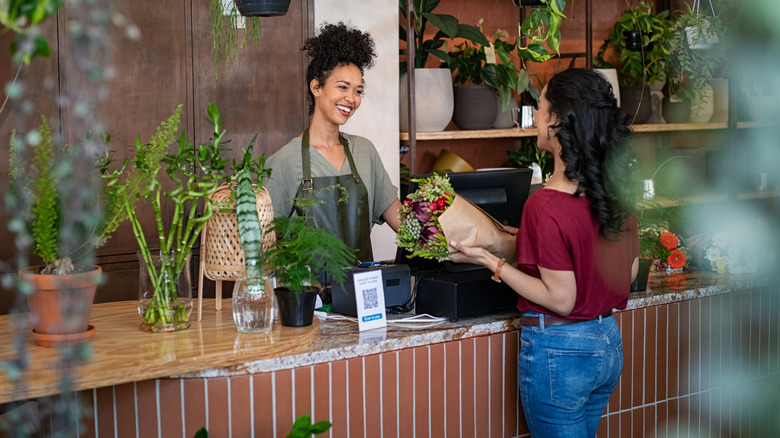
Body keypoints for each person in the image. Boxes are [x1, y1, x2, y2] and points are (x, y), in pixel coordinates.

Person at [449, 68, 639, 437]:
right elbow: (627, 273)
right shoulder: (617, 193)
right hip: (607, 344)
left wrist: (491, 261)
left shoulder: (545, 205)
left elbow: (562, 299)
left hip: (560, 352)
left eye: (540, 107)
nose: (534, 116)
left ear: (556, 122)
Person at [264, 22, 402, 266]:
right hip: (307, 298)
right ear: (316, 87)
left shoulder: (364, 152)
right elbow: (265, 246)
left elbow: (402, 222)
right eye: (343, 87)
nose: (351, 98)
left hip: (362, 293)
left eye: (358, 91)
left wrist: (448, 243)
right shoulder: (284, 162)